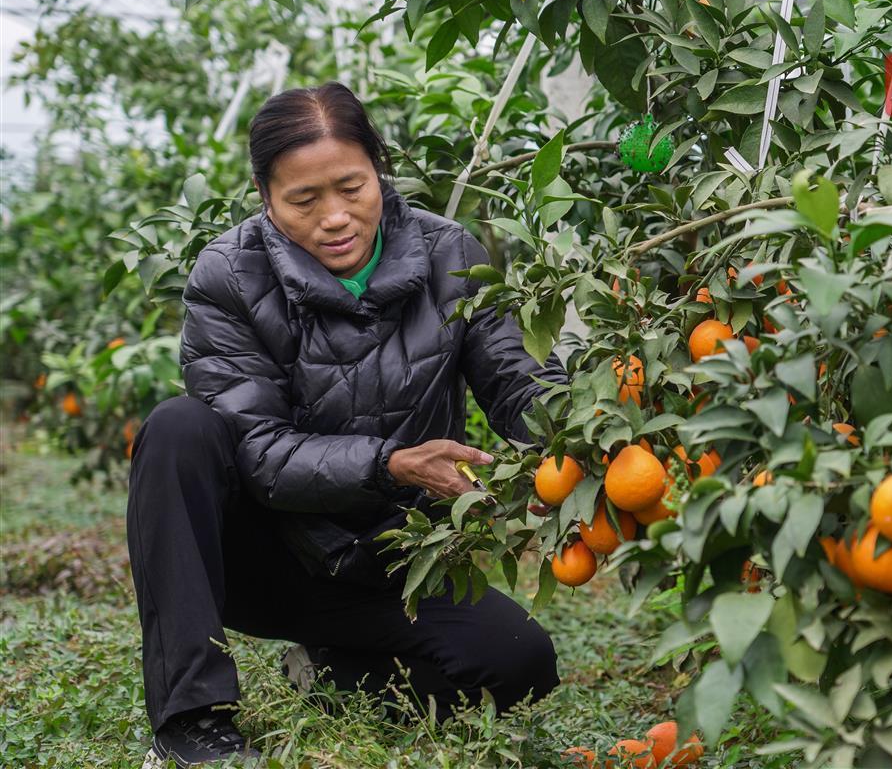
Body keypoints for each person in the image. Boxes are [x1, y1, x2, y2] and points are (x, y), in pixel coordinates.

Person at [128, 81, 567, 768]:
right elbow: (260, 453)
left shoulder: (451, 253)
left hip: (394, 559)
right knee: (178, 428)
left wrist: (578, 424)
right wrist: (388, 463)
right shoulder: (229, 274)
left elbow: (514, 377)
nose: (334, 217)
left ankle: (330, 673)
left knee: (520, 666)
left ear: (379, 168)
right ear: (265, 196)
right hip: (266, 558)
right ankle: (191, 721)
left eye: (351, 188)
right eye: (303, 201)